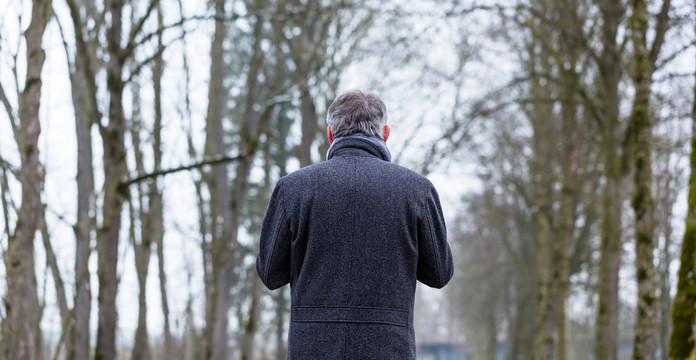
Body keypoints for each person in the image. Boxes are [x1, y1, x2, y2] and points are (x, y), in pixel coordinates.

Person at [256, 89, 454, 359]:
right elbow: (439, 274)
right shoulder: (417, 191)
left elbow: (270, 274)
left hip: (313, 350)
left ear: (330, 134)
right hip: (388, 349)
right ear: (385, 134)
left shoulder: (293, 189)